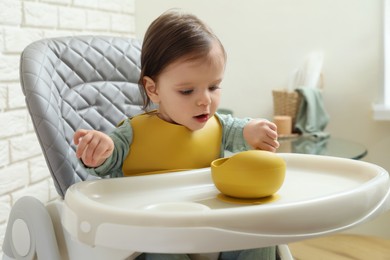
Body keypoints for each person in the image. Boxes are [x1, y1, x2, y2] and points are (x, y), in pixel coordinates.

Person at [74, 10, 279, 260]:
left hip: (210, 226)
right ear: (153, 89)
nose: (205, 100)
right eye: (187, 91)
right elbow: (108, 164)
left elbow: (240, 130)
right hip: (152, 232)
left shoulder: (218, 126)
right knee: (162, 252)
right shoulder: (133, 133)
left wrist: (253, 130)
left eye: (213, 87)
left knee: (262, 236)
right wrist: (101, 152)